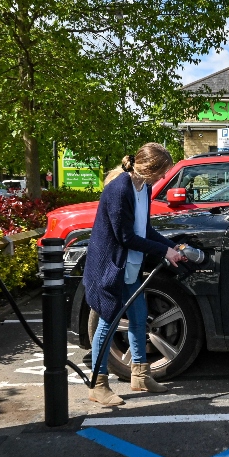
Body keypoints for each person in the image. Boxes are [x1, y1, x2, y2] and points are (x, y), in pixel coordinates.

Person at [83, 143, 185, 406]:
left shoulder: (144, 188)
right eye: (162, 172)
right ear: (150, 169)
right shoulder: (118, 190)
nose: (163, 177)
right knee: (107, 323)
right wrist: (164, 251)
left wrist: (171, 246)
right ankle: (98, 384)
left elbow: (144, 229)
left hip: (130, 267)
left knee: (139, 317)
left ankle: (140, 375)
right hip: (111, 268)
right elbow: (126, 237)